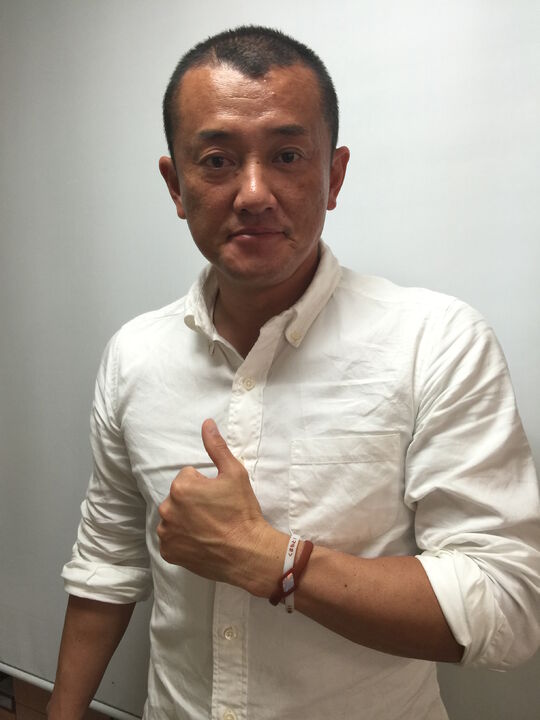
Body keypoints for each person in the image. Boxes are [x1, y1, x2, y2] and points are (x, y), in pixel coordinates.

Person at [49, 26, 540, 720]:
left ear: (333, 176)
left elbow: (509, 605)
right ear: (176, 184)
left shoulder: (437, 342)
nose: (254, 193)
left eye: (286, 155)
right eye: (217, 160)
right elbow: (107, 563)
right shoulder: (134, 355)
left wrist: (272, 560)